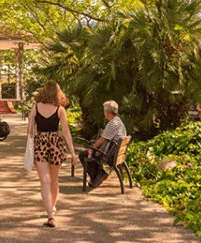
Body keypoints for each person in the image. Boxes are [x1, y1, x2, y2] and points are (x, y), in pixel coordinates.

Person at [26, 80, 76, 228]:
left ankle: (50, 214)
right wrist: (73, 152)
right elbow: (66, 132)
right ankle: (51, 210)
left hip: (40, 144)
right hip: (55, 144)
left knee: (45, 180)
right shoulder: (60, 110)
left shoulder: (35, 107)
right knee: (54, 180)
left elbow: (28, 131)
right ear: (56, 93)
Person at [79, 100, 128, 188]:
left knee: (83, 154)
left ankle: (99, 176)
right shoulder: (119, 121)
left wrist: (91, 148)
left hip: (110, 155)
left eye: (104, 111)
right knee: (91, 153)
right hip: (117, 154)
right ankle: (98, 175)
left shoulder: (112, 124)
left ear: (107, 112)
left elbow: (102, 140)